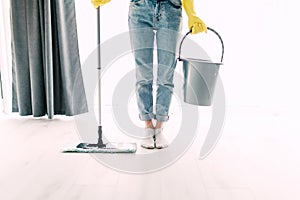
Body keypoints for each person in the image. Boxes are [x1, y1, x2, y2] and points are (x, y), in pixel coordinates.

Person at [91, 0, 207, 149]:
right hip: (140, 8)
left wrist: (192, 14)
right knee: (143, 74)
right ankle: (147, 126)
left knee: (165, 74)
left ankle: (159, 127)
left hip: (170, 9)